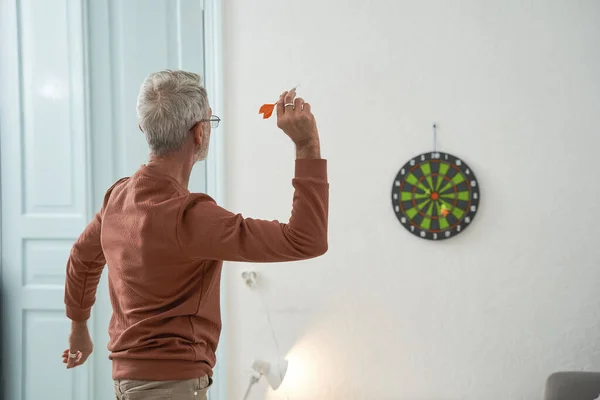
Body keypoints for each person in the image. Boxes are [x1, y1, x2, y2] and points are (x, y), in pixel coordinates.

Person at [61, 70, 329, 399]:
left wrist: (78, 327)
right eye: (209, 121)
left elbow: (81, 258)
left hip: (127, 382)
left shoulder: (116, 197)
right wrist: (307, 144)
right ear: (200, 133)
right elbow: (305, 239)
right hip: (172, 387)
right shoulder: (191, 217)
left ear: (143, 128)